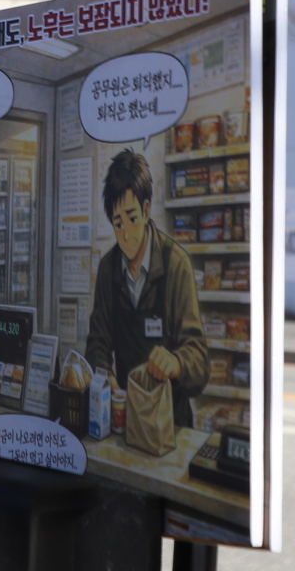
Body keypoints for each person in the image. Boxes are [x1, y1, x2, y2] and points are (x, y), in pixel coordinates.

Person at [86, 148, 209, 433]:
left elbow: (199, 362)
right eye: (118, 224)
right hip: (126, 420)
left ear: (146, 210)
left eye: (132, 219)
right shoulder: (108, 269)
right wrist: (106, 380)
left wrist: (176, 363)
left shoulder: (176, 264)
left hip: (172, 426)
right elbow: (97, 344)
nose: (126, 234)